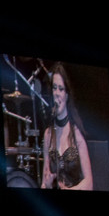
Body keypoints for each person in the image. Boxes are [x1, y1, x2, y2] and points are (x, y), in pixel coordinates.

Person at [41, 62, 93, 190]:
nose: (57, 93)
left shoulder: (76, 134)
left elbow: (89, 183)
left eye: (61, 88)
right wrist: (46, 185)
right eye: (54, 88)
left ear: (67, 95)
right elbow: (44, 182)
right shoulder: (48, 134)